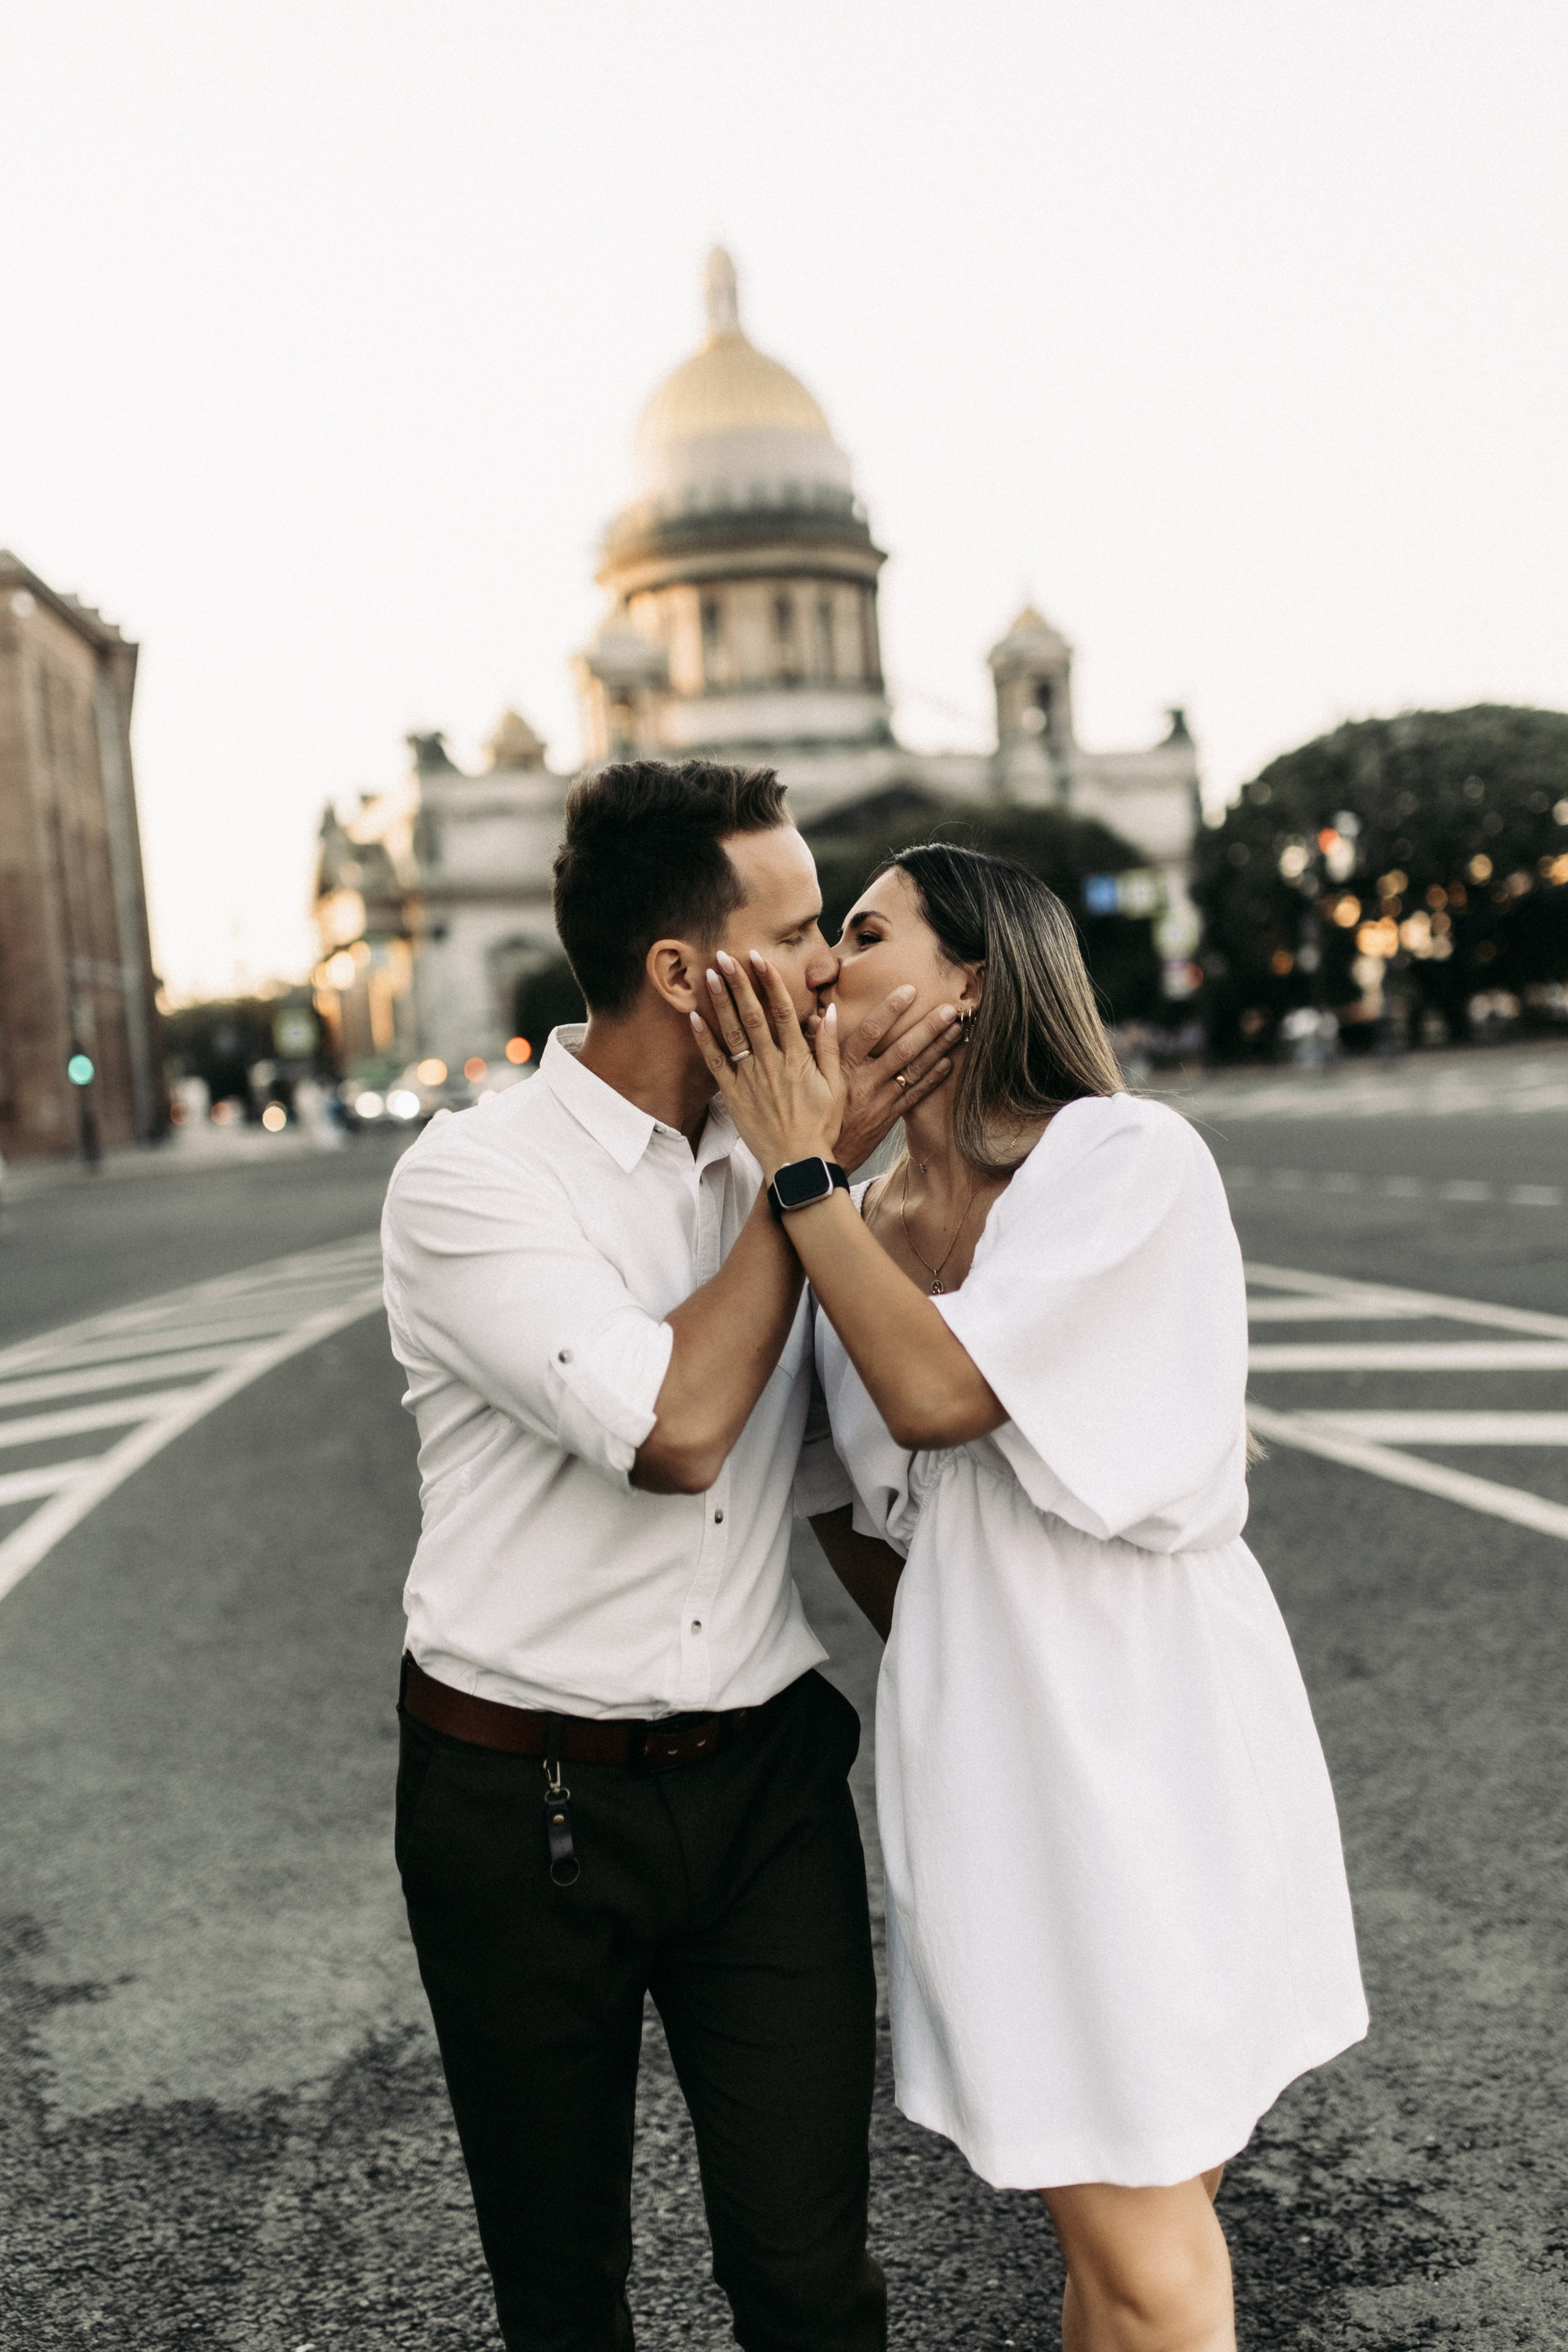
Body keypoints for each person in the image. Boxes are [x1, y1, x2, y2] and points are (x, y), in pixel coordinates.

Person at [690, 843, 1369, 2352]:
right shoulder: (847, 1227)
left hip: (1153, 1728)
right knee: (1118, 2215)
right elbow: (832, 1503)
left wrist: (798, 1175)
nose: (819, 967)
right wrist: (963, 1650)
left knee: (1140, 2229)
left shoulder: (1119, 1159)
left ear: (973, 979)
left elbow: (935, 1392)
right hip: (996, 1757)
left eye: (859, 936)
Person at [379, 760, 962, 2352]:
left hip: (767, 1784)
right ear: (683, 975)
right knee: (566, 2300)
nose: (835, 966)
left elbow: (845, 1489)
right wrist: (806, 1181)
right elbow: (677, 1429)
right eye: (795, 932)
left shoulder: (795, 1170)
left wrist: (1018, 1698)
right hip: (526, 1806)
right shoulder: (474, 1180)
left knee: (808, 2280)